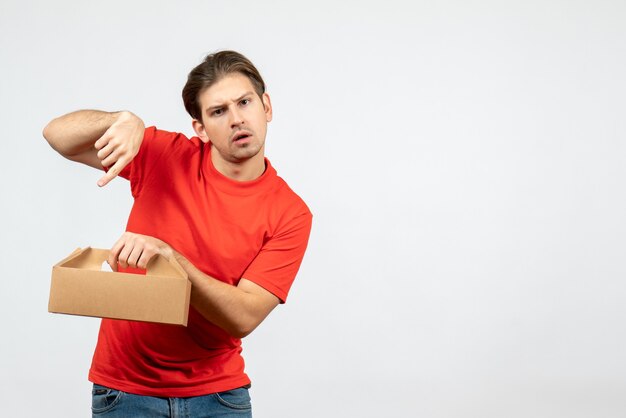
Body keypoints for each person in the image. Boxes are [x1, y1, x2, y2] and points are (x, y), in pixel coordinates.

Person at [43, 50, 312, 417]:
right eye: (218, 111)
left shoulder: (290, 213)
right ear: (200, 127)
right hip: (124, 392)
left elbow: (244, 317)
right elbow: (58, 135)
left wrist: (173, 260)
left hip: (218, 397)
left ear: (266, 106)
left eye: (244, 103)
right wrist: (123, 119)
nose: (236, 120)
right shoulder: (164, 155)